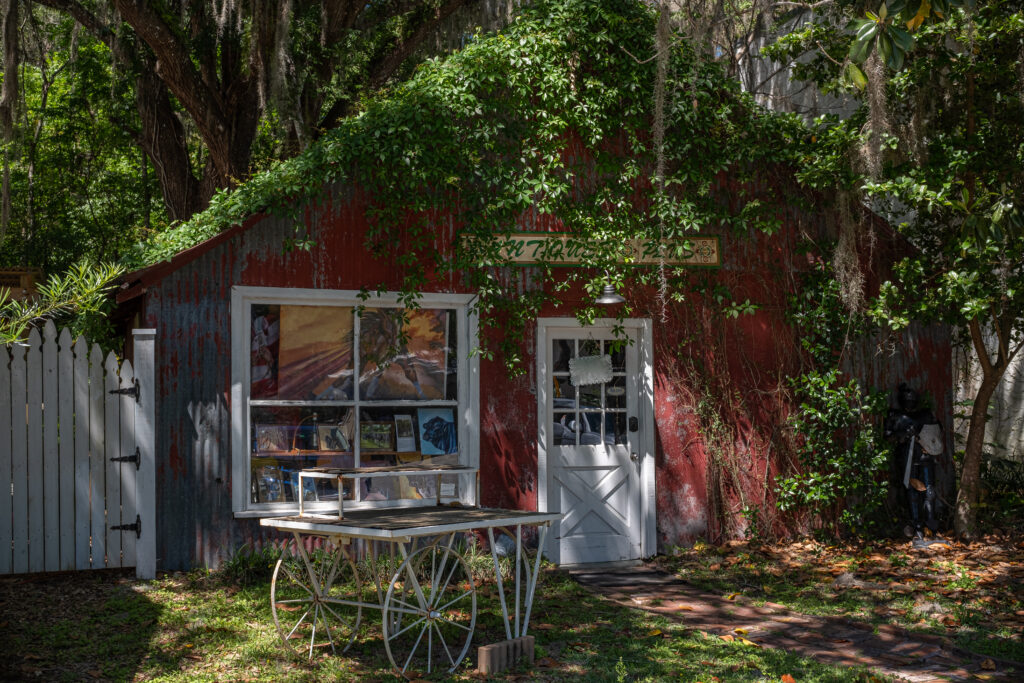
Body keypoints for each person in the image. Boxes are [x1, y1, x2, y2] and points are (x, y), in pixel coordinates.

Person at [884, 383, 943, 542]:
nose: (910, 400)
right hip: (906, 456)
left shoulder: (925, 414)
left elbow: (937, 432)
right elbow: (888, 435)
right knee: (912, 492)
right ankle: (917, 528)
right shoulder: (895, 415)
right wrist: (903, 433)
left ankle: (932, 527)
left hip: (925, 456)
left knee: (929, 492)